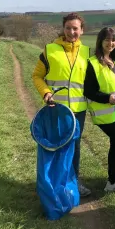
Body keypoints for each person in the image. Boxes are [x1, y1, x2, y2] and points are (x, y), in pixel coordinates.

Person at [32, 12, 91, 197]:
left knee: (74, 147)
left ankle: (74, 182)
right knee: (56, 146)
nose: (71, 32)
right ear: (63, 29)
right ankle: (53, 184)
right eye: (68, 28)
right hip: (56, 110)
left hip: (79, 111)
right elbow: (37, 76)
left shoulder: (88, 53)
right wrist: (46, 93)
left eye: (75, 28)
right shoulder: (49, 50)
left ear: (82, 30)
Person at [83, 27, 115, 194]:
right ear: (100, 41)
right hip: (104, 116)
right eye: (107, 39)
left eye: (114, 40)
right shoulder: (92, 63)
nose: (110, 43)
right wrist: (107, 98)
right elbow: (88, 91)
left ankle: (112, 182)